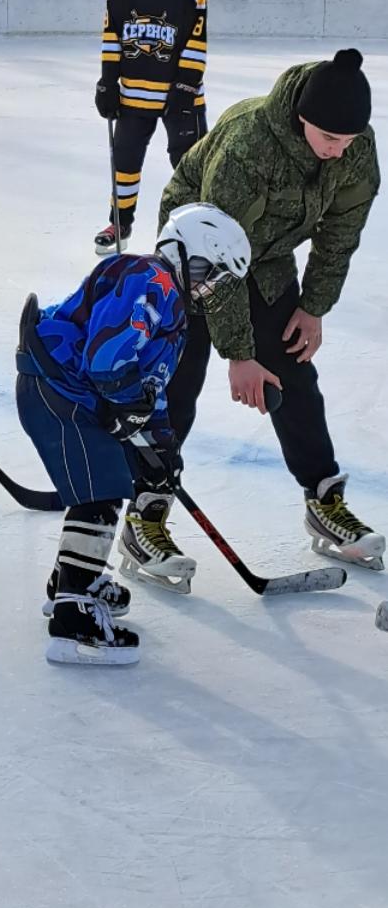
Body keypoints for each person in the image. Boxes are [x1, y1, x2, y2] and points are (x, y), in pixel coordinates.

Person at [120, 48, 384, 590]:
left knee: (293, 369)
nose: (338, 153)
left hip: (266, 256)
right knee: (178, 385)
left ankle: (322, 497)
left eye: (348, 142)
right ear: (303, 119)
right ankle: (145, 515)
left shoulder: (353, 149)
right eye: (330, 140)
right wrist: (239, 355)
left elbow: (339, 235)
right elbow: (216, 259)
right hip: (196, 254)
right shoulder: (249, 143)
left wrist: (312, 306)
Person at [16, 204, 251, 665]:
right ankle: (74, 618)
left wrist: (163, 449)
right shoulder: (149, 278)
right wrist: (128, 406)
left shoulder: (173, 309)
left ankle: (72, 579)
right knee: (100, 494)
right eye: (210, 271)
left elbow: (149, 383)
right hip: (59, 388)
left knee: (113, 484)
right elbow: (107, 360)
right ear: (185, 254)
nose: (210, 286)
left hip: (73, 392)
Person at [94, 0, 208, 255]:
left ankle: (198, 225)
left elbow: (196, 43)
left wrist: (186, 88)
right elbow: (112, 37)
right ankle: (120, 221)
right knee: (125, 161)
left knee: (190, 163)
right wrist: (107, 82)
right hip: (133, 95)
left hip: (179, 96)